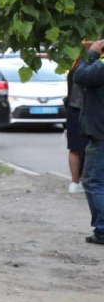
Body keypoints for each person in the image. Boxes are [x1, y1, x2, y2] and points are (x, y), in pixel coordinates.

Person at [74, 38, 104, 245]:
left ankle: (102, 230)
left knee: (93, 181)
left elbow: (80, 76)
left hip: (101, 134)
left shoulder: (100, 65)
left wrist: (92, 53)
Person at [67, 41, 92, 194]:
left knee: (75, 147)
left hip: (73, 109)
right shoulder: (86, 68)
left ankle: (75, 182)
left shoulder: (73, 66)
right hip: (84, 109)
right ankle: (80, 181)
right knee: (85, 148)